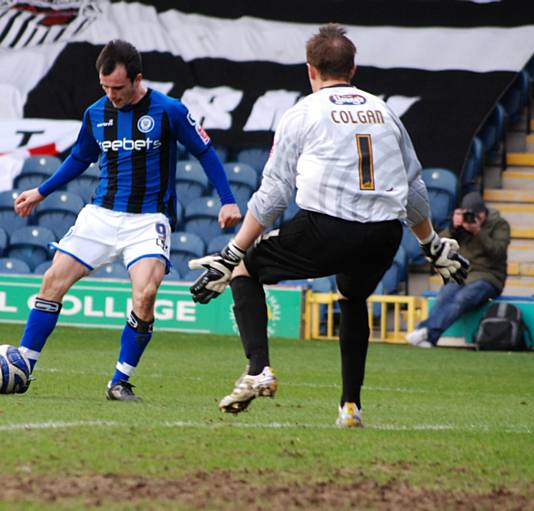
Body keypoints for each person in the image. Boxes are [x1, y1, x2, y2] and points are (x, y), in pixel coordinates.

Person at [187, 24, 469, 428]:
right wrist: (432, 244)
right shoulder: (386, 111)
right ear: (353, 69)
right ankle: (350, 407)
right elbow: (413, 186)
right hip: (384, 234)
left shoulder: (303, 112)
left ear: (310, 70)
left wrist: (232, 252)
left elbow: (274, 193)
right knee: (352, 298)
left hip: (328, 228)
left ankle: (258, 370)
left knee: (246, 268)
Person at [0, 39, 241, 400]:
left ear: (136, 78)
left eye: (117, 88)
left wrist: (227, 200)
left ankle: (120, 381)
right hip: (99, 216)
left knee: (144, 296)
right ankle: (23, 365)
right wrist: (41, 192)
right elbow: (79, 158)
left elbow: (205, 152)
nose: (111, 95)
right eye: (105, 87)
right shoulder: (96, 113)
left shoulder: (169, 110)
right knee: (52, 281)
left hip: (147, 221)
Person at [406, 191, 509, 348]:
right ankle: (426, 336)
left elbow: (498, 252)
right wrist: (454, 228)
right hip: (464, 273)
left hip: (489, 276)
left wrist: (478, 232)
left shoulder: (499, 224)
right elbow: (438, 245)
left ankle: (427, 332)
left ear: (483, 213)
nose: (471, 219)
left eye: (475, 216)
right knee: (445, 295)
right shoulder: (460, 225)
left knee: (463, 298)